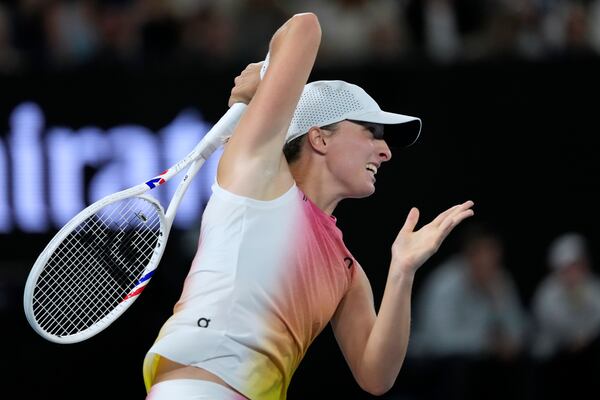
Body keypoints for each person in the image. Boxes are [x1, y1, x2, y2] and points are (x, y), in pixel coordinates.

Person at [142, 12, 474, 400]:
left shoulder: (346, 270)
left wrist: (401, 272)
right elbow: (305, 26)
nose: (385, 151)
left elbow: (376, 375)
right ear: (319, 138)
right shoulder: (257, 175)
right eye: (372, 132)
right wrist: (263, 83)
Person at [408, 221, 529, 400]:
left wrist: (498, 301)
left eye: (494, 253)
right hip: (433, 364)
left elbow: (519, 332)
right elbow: (440, 340)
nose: (490, 261)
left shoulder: (501, 281)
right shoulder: (445, 283)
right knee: (460, 368)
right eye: (484, 253)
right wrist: (487, 344)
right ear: (469, 255)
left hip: (481, 363)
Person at [530, 231, 600, 399]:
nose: (573, 272)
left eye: (577, 265)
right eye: (568, 268)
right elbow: (555, 326)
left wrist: (585, 335)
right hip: (551, 360)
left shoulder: (593, 286)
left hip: (585, 358)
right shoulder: (547, 292)